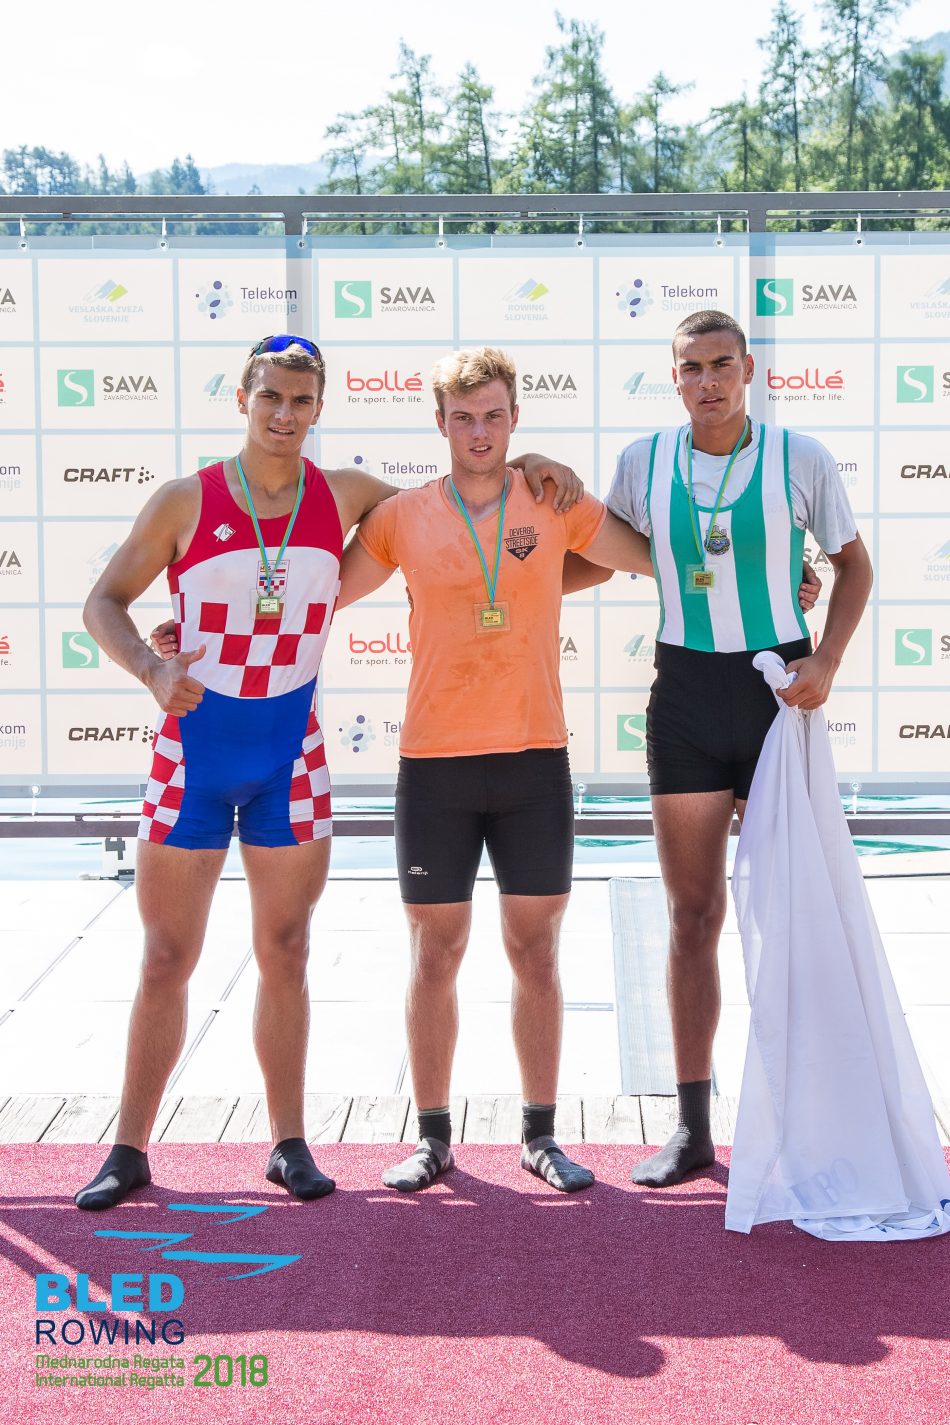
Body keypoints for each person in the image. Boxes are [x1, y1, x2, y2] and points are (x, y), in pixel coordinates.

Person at [75, 335, 578, 1210]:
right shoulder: (186, 499)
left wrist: (534, 468)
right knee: (166, 955)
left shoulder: (346, 495)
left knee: (289, 950)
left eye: (302, 399)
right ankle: (127, 1148)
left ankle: (288, 1143)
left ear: (319, 407)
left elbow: (458, 502)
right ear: (242, 398)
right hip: (193, 752)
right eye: (270, 396)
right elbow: (102, 601)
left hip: (292, 756)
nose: (285, 413)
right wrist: (151, 667)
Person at [337, 347, 662, 1193]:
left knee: (536, 952)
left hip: (533, 762)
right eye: (462, 417)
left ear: (515, 418)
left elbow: (647, 555)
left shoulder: (551, 497)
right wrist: (192, 629)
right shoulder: (401, 516)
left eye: (492, 416)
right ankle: (432, 1137)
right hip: (434, 767)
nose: (478, 432)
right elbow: (313, 595)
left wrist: (776, 572)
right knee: (434, 953)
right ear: (439, 423)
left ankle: (540, 1135)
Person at [604, 309, 872, 1188]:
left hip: (772, 696)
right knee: (692, 919)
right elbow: (602, 553)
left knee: (791, 918)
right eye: (692, 367)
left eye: (723, 364)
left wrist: (826, 660)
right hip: (683, 696)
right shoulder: (643, 461)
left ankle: (808, 1122)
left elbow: (856, 565)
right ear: (673, 376)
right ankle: (692, 1130)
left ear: (749, 369)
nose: (708, 380)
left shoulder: (800, 456)